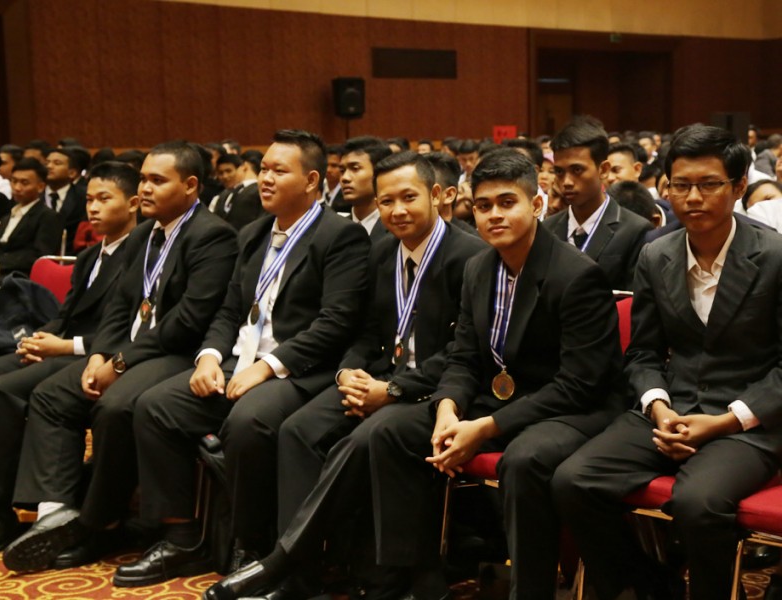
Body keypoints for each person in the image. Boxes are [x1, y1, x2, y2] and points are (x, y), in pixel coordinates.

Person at [203, 150, 625, 600]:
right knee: (390, 430)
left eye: (507, 203)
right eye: (484, 206)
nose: (494, 216)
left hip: (567, 407)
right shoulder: (482, 268)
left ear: (537, 204)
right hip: (493, 397)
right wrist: (447, 409)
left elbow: (578, 385)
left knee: (520, 459)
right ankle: (409, 582)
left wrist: (483, 425)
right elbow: (465, 358)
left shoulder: (576, 275)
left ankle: (283, 561)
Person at [203, 151, 486, 600]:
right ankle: (303, 575)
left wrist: (392, 389)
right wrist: (348, 373)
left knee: (366, 438)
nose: (397, 210)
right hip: (375, 379)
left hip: (434, 389)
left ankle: (284, 562)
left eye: (409, 197)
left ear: (436, 195)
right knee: (298, 430)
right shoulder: (382, 251)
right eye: (386, 201)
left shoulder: (470, 257)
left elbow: (462, 352)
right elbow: (364, 331)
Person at [113, 130, 371, 588]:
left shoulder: (340, 235)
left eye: (278, 171)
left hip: (299, 371)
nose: (265, 179)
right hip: (238, 363)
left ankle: (251, 546)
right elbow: (230, 310)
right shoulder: (253, 233)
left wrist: (267, 367)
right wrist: (209, 357)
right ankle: (182, 539)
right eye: (264, 169)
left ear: (311, 181)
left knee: (249, 421)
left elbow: (336, 323)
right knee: (156, 406)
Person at [553, 124, 782, 600]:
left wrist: (724, 422)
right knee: (573, 481)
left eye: (709, 184)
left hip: (747, 421)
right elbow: (642, 353)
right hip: (670, 410)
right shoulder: (656, 255)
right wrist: (659, 407)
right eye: (681, 185)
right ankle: (651, 584)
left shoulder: (774, 256)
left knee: (697, 502)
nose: (692, 198)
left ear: (739, 186)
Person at [2, 141, 238, 573]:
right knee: (52, 395)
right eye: (143, 179)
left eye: (156, 180)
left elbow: (188, 321)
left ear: (190, 185)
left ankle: (99, 523)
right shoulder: (144, 234)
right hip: (128, 351)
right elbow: (119, 306)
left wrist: (120, 362)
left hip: (178, 353)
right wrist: (100, 355)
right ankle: (57, 513)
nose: (144, 188)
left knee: (115, 405)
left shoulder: (212, 235)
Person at [0, 161, 139, 561]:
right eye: (89, 200)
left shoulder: (141, 254)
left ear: (133, 203)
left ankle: (6, 509)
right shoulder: (88, 256)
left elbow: (127, 330)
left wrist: (64, 346)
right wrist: (38, 339)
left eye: (104, 199)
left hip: (96, 354)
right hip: (64, 345)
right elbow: (65, 315)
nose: (93, 208)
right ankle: (3, 500)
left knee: (3, 390)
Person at [544, 116, 652, 290]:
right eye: (559, 172)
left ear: (603, 170)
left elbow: (634, 300)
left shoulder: (635, 230)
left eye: (577, 170)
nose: (567, 182)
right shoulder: (546, 229)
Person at [0, 158, 63, 301]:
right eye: (14, 181)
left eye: (24, 183)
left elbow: (40, 256)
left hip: (22, 280)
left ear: (40, 187)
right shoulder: (8, 215)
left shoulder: (48, 216)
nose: (17, 187)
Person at [340, 136, 392, 241]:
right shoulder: (334, 229)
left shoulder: (396, 228)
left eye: (355, 168)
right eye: (342, 170)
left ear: (379, 173)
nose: (345, 178)